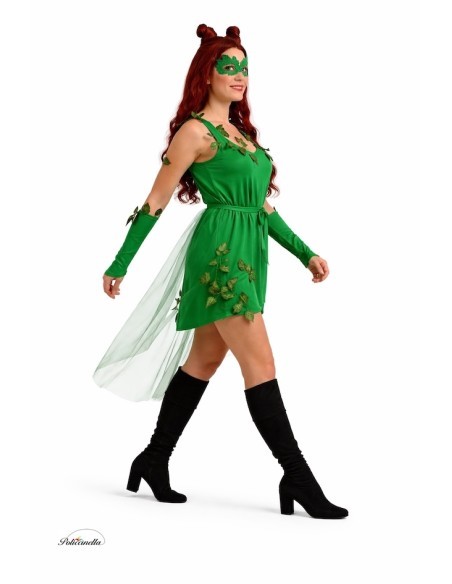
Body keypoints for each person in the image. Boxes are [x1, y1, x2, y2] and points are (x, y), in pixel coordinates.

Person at [94, 23, 348, 519]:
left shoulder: (242, 135)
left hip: (249, 251)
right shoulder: (195, 132)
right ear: (205, 74)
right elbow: (155, 201)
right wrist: (120, 262)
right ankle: (297, 477)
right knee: (262, 366)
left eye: (244, 67)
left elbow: (262, 207)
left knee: (203, 362)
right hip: (221, 259)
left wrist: (305, 253)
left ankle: (154, 458)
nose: (239, 74)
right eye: (228, 66)